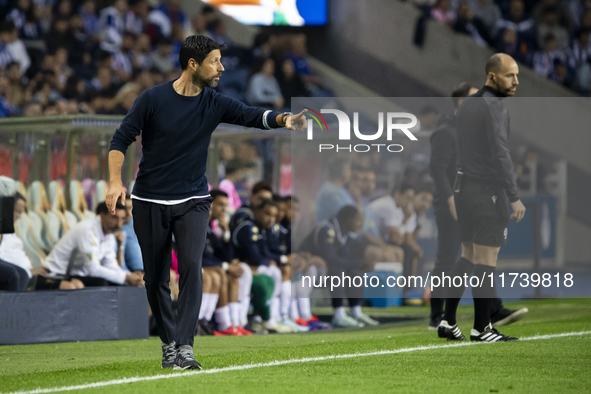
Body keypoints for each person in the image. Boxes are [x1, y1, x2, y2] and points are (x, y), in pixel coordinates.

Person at [106, 35, 307, 370]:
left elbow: (251, 114)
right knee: (155, 277)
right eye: (215, 61)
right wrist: (114, 182)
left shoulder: (214, 102)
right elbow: (120, 139)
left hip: (194, 199)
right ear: (193, 64)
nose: (222, 68)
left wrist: (284, 119)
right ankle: (168, 344)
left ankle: (185, 346)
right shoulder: (152, 99)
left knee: (191, 268)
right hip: (149, 198)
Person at [438, 54, 527, 343]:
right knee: (487, 260)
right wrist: (513, 196)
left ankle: (447, 321)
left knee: (467, 256)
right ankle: (482, 327)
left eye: (516, 75)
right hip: (486, 192)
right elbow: (500, 153)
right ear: (492, 76)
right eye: (509, 76)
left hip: (462, 189)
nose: (516, 81)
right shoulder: (494, 106)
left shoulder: (465, 107)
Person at [300, 205, 376, 328]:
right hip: (308, 269)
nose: (360, 224)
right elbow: (331, 259)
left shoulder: (343, 233)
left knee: (354, 271)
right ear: (348, 219)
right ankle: (339, 315)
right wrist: (357, 263)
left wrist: (360, 265)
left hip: (323, 270)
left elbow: (345, 258)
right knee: (337, 270)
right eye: (357, 220)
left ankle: (356, 311)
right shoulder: (327, 230)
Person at [42, 201, 144, 289]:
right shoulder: (88, 230)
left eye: (122, 219)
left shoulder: (109, 234)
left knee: (121, 284)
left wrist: (130, 277)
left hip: (79, 274)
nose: (119, 223)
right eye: (114, 218)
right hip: (57, 274)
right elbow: (93, 269)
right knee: (101, 283)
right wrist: (126, 277)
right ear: (102, 215)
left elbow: (111, 265)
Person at [199, 189, 252, 336]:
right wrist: (226, 265)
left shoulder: (211, 227)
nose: (224, 209)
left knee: (235, 273)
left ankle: (234, 323)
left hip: (211, 267)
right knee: (221, 272)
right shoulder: (200, 224)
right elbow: (201, 256)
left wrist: (227, 233)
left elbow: (224, 256)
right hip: (201, 269)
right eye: (220, 205)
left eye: (226, 205)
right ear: (210, 205)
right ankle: (215, 322)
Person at [0, 193, 50, 291]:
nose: (19, 216)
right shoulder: (3, 233)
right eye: (17, 211)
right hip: (23, 276)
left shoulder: (11, 233)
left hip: (28, 274)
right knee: (18, 275)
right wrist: (29, 271)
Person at [118, 193, 143, 272]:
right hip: (130, 271)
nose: (128, 213)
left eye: (130, 208)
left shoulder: (135, 223)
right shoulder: (116, 228)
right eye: (124, 208)